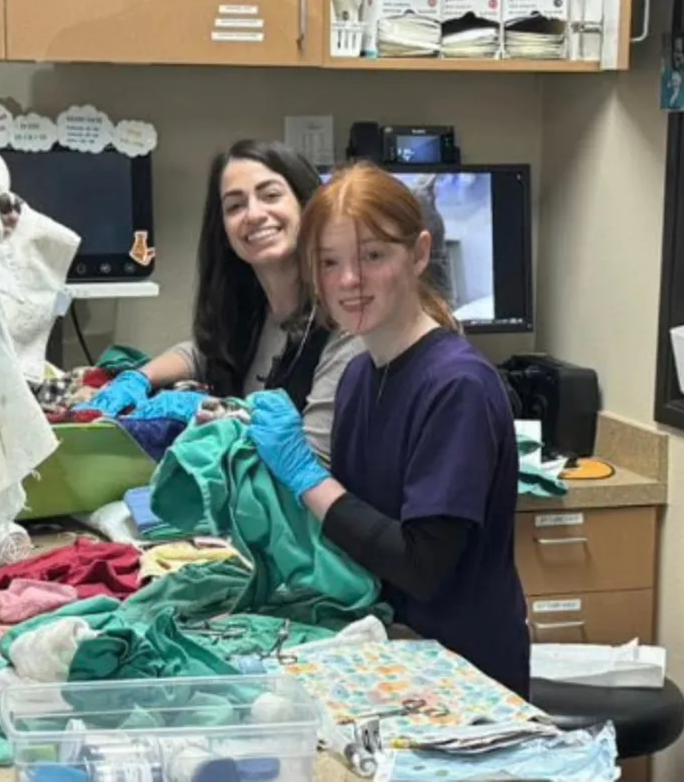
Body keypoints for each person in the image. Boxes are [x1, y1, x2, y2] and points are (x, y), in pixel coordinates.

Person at [243, 162, 531, 693]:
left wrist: (305, 476)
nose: (349, 281)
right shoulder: (358, 375)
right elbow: (355, 532)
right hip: (386, 656)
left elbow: (421, 566)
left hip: (464, 676)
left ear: (419, 253)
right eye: (330, 263)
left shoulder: (456, 386)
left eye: (373, 256)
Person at [84, 140, 361, 456]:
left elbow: (313, 463)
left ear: (308, 205)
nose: (253, 214)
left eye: (270, 195)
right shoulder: (253, 314)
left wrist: (225, 419)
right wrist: (139, 377)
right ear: (225, 232)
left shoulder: (345, 322)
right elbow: (203, 352)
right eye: (235, 206)